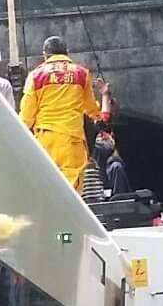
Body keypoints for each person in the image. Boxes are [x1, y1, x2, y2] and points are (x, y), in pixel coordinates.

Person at [19, 36, 113, 191]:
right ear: (67, 53)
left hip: (45, 140)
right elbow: (91, 110)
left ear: (45, 55)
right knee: (72, 191)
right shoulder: (81, 74)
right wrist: (102, 115)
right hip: (72, 141)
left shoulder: (35, 76)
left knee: (46, 189)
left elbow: (26, 116)